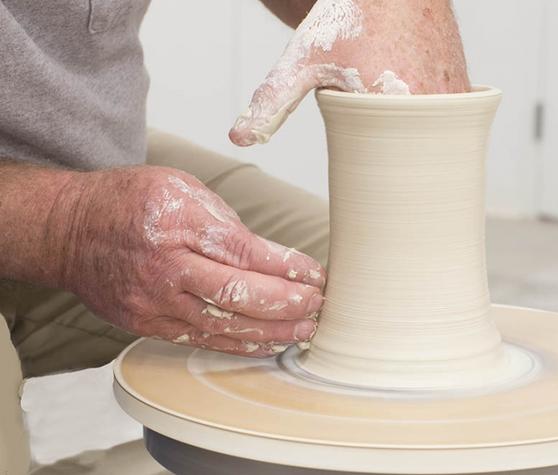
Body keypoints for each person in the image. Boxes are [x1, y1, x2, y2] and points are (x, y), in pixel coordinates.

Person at [0, 0, 469, 473]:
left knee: (389, 280)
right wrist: (67, 223)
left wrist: (387, 8)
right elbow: (67, 221)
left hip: (92, 154)